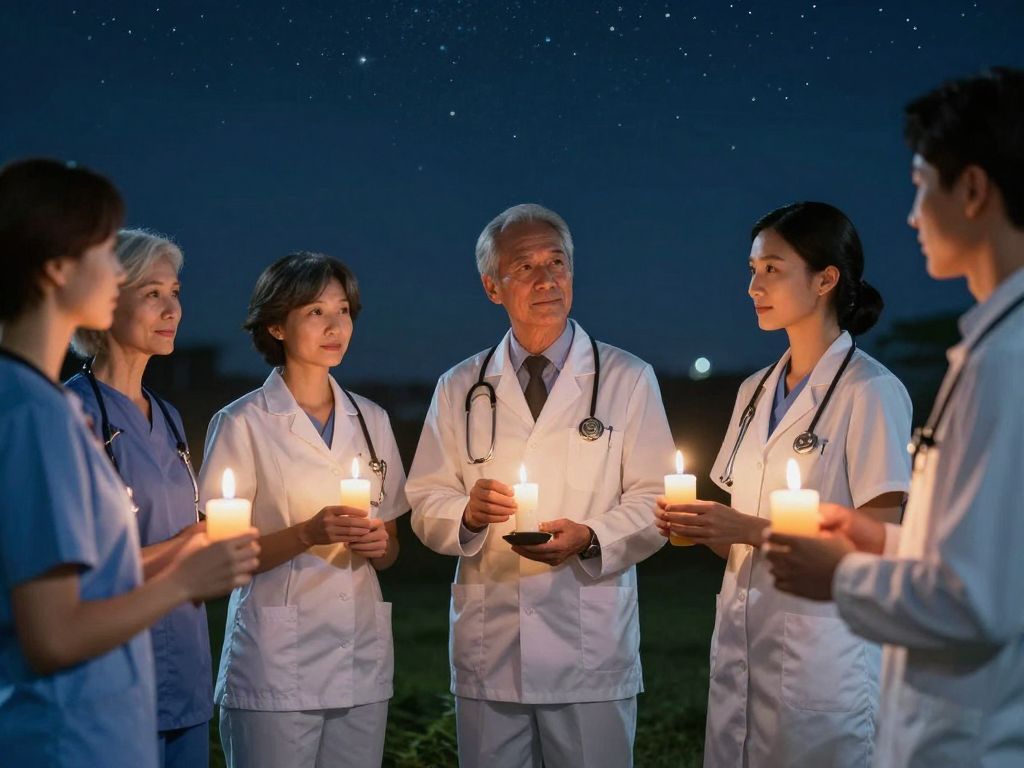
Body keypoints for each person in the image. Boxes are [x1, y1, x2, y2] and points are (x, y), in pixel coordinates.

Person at [766, 68, 1024, 768]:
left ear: (971, 189)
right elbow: (990, 554)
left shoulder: (1008, 361)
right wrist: (885, 543)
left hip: (976, 738)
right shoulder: (990, 348)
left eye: (919, 184)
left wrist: (843, 572)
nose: (911, 214)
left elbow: (979, 603)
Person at [0, 159, 258, 768]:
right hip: (71, 736)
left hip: (117, 712)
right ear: (59, 267)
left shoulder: (35, 403)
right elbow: (54, 634)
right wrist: (186, 580)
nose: (116, 271)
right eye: (103, 251)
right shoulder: (42, 414)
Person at [406, 203, 674, 768]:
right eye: (524, 266)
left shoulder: (627, 378)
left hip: (589, 643)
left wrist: (592, 535)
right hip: (492, 644)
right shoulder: (459, 386)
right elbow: (426, 499)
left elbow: (656, 499)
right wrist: (469, 515)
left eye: (558, 262)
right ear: (491, 286)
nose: (547, 279)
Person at [657, 201, 912, 766]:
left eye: (772, 269)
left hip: (824, 659)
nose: (754, 286)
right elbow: (739, 539)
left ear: (825, 279)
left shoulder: (870, 391)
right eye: (752, 270)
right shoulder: (753, 392)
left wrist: (747, 526)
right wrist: (702, 526)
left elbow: (879, 538)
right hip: (742, 653)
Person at [199, 251, 408, 768]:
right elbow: (218, 557)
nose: (336, 325)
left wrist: (381, 545)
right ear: (275, 324)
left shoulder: (372, 420)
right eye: (316, 311)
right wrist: (307, 533)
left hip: (359, 658)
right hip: (275, 666)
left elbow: (391, 548)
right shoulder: (242, 422)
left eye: (343, 310)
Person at [66, 229, 214, 768]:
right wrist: (187, 549)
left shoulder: (169, 417)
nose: (172, 307)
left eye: (175, 292)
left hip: (188, 675)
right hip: (114, 676)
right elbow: (75, 576)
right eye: (153, 293)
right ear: (105, 302)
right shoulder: (72, 416)